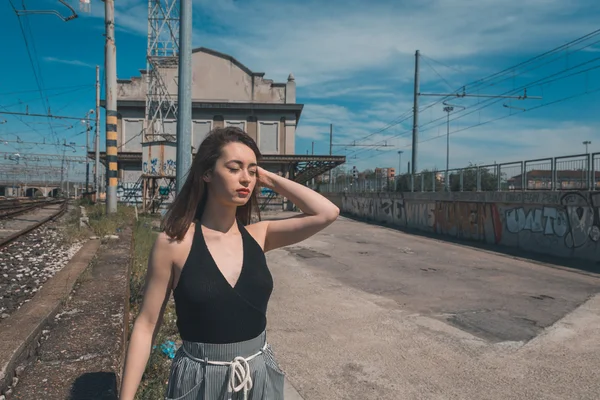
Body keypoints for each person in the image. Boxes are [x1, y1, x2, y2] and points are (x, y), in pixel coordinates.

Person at [119, 126, 340, 400]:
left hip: (257, 375)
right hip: (198, 379)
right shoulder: (175, 243)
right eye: (234, 168)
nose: (246, 179)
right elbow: (147, 324)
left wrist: (267, 177)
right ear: (207, 174)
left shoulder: (260, 236)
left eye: (252, 170)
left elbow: (327, 212)